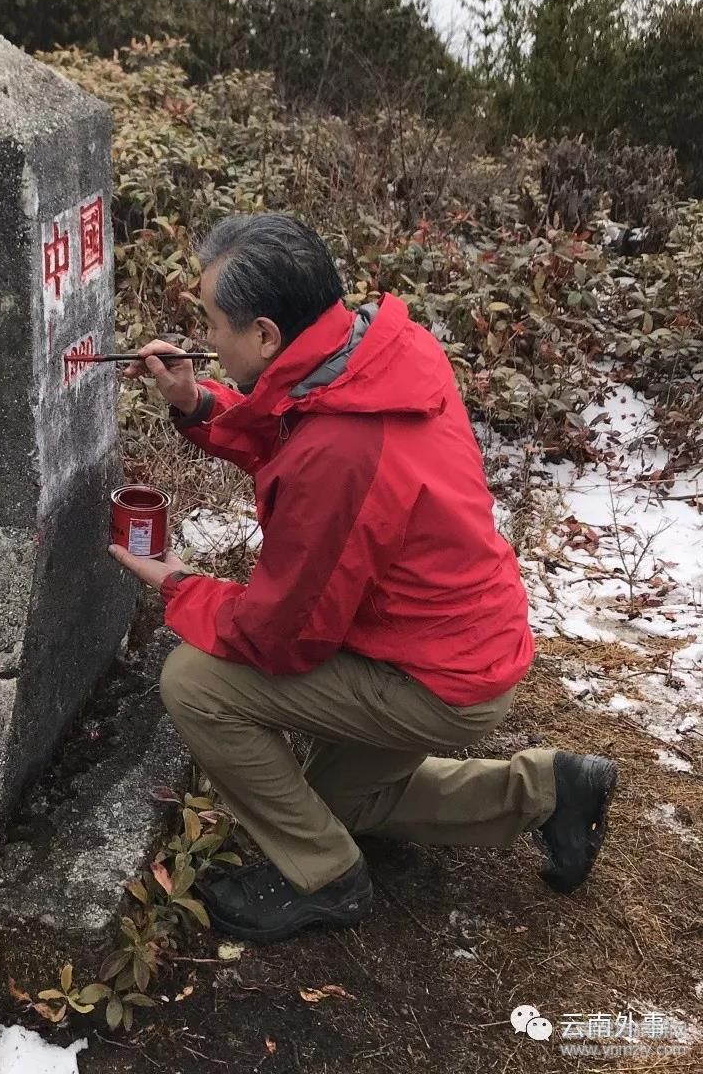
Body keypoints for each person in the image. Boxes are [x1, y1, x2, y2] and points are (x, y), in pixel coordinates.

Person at [107, 213, 618, 943]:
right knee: (336, 801)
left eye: (214, 325)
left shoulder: (345, 449)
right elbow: (299, 426)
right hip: (464, 639)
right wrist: (198, 403)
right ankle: (550, 790)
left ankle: (324, 876)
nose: (206, 342)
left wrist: (179, 584)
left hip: (432, 677)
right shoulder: (378, 355)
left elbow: (279, 637)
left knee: (194, 682)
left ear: (266, 335)